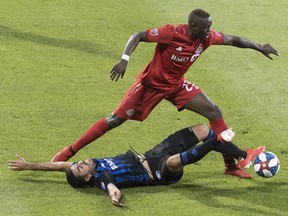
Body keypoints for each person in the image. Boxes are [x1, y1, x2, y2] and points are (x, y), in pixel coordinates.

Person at [51, 8, 278, 179]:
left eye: (210, 27)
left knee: (213, 111)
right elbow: (137, 35)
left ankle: (230, 165)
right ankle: (69, 151)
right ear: (193, 27)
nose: (210, 31)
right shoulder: (172, 33)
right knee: (115, 120)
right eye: (206, 27)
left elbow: (234, 40)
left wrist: (260, 47)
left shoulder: (205, 39)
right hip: (149, 87)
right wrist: (124, 59)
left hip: (176, 86)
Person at [8, 125, 264, 207]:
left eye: (77, 164)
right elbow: (111, 187)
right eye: (80, 168)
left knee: (201, 129)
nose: (81, 163)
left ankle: (243, 155)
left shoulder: (87, 165)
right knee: (177, 160)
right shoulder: (101, 177)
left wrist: (28, 165)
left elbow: (57, 166)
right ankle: (219, 142)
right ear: (87, 179)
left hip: (152, 154)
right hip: (158, 172)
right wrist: (114, 195)